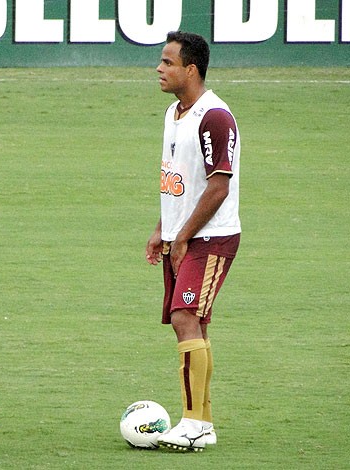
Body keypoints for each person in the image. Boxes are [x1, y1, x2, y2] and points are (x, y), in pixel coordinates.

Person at [145, 31, 241, 452]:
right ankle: (202, 420)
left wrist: (182, 236)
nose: (159, 69)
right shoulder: (174, 113)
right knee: (195, 324)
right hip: (182, 235)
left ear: (191, 69)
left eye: (168, 62)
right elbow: (180, 181)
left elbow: (218, 186)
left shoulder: (214, 117)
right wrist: (162, 229)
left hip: (212, 237)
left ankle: (193, 422)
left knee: (185, 317)